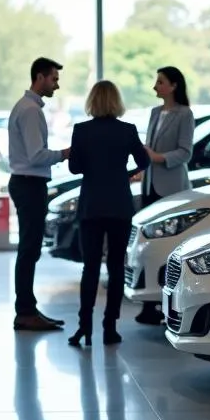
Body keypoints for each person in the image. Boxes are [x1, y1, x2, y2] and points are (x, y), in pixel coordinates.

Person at [67, 80, 150, 348]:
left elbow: (74, 168)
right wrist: (123, 175)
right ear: (117, 102)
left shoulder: (81, 130)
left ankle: (84, 327)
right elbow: (144, 160)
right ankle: (110, 327)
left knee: (90, 267)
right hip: (119, 205)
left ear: (92, 101)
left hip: (91, 205)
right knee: (115, 267)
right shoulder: (127, 131)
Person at [7, 57, 71, 332]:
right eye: (54, 79)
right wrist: (65, 154)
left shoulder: (26, 106)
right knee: (29, 249)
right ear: (40, 77)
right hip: (30, 183)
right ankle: (25, 311)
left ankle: (27, 308)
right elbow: (36, 155)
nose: (57, 85)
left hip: (26, 182)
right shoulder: (31, 110)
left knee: (29, 248)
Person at [136, 66, 194, 326]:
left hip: (171, 186)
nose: (155, 86)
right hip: (150, 184)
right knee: (149, 245)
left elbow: (184, 153)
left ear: (173, 86)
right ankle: (150, 303)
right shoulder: (154, 113)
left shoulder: (185, 114)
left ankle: (169, 304)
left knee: (169, 245)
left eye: (159, 82)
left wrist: (158, 158)